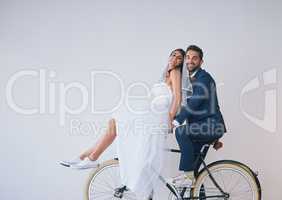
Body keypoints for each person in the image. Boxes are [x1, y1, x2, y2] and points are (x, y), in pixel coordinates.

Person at [60, 48, 186, 199]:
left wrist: (170, 119)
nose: (175, 59)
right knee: (115, 123)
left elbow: (178, 98)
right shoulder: (164, 76)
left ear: (182, 63)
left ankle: (89, 157)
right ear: (168, 57)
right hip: (152, 114)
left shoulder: (175, 73)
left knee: (118, 120)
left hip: (159, 117)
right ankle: (86, 156)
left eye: (179, 58)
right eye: (173, 55)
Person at [170, 45, 227, 186]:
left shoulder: (204, 78)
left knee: (181, 132)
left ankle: (188, 175)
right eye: (188, 57)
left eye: (194, 58)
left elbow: (195, 102)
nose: (190, 60)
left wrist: (176, 121)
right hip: (204, 127)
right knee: (195, 175)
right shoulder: (187, 80)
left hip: (212, 126)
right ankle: (193, 183)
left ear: (201, 62)